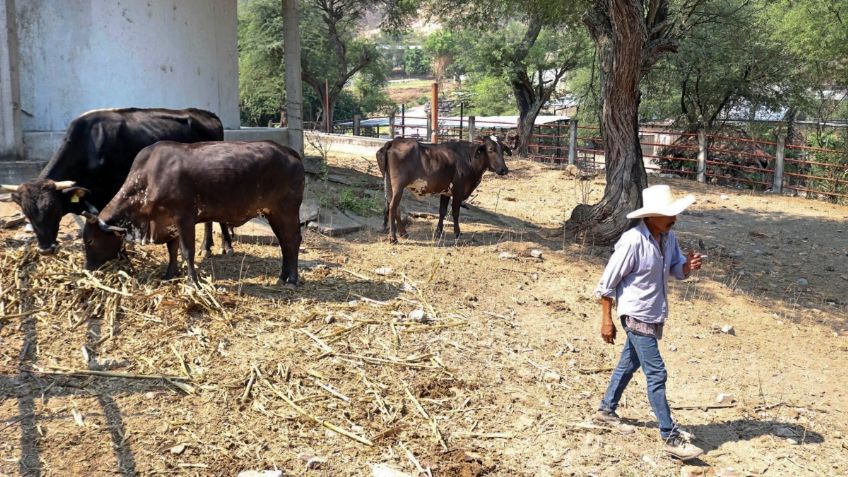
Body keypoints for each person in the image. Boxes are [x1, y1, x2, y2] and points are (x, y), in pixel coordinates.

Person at [593, 184, 705, 461]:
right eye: (668, 214)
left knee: (629, 364)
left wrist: (688, 267)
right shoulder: (632, 241)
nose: (674, 218)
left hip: (654, 312)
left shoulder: (668, 237)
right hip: (635, 313)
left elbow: (677, 270)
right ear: (651, 216)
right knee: (657, 373)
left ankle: (606, 410)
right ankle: (669, 435)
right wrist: (606, 319)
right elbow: (607, 284)